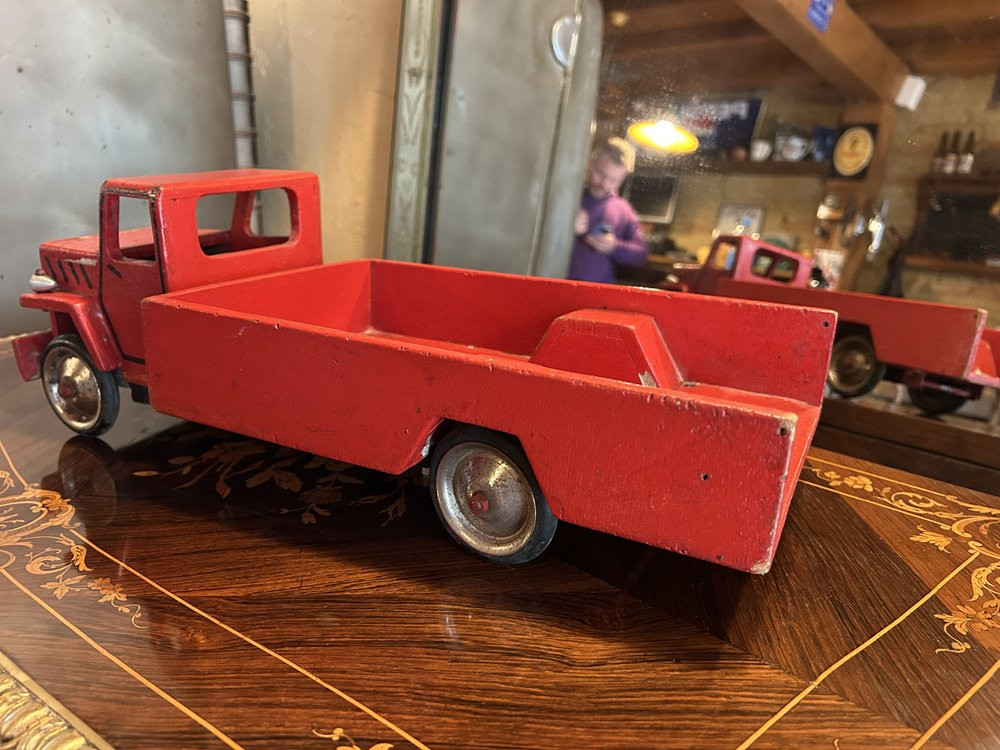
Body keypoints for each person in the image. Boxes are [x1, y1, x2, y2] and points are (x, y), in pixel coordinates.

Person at [567, 137, 647, 283]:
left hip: (596, 294)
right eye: (601, 174)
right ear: (590, 163)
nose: (604, 185)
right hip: (553, 284)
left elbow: (640, 254)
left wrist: (614, 247)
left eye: (613, 181)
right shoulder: (567, 197)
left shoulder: (624, 210)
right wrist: (565, 229)